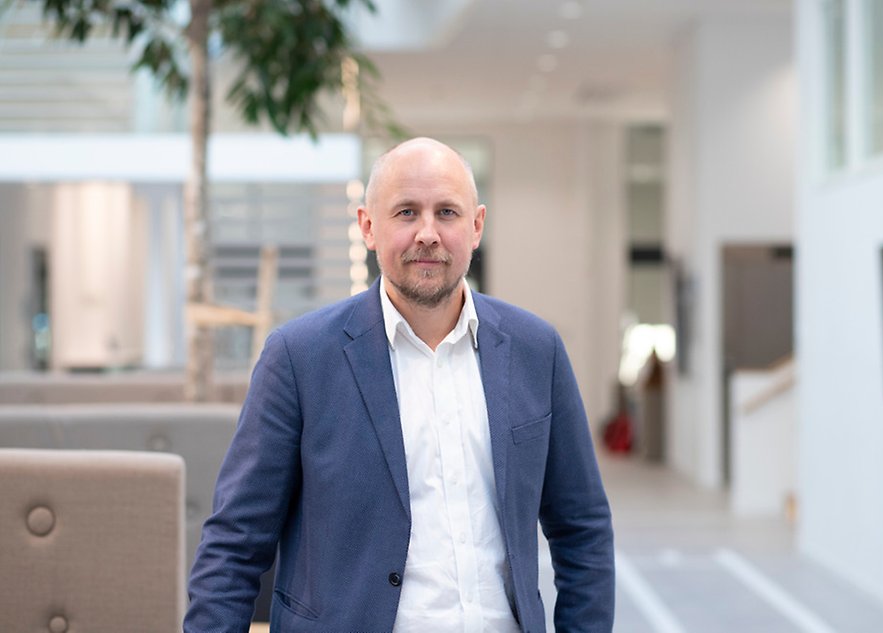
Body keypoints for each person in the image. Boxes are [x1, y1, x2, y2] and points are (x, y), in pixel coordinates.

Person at [184, 137, 614, 632]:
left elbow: (582, 529)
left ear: (476, 227)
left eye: (447, 213)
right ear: (368, 226)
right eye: (406, 212)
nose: (427, 233)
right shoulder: (300, 357)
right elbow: (235, 543)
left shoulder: (537, 350)